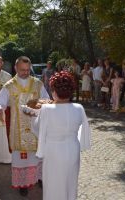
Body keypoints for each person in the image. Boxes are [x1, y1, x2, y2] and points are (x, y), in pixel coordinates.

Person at [0, 56, 49, 196]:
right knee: (21, 158)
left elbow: (47, 101)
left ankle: (40, 178)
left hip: (36, 129)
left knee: (39, 156)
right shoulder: (9, 86)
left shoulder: (38, 84)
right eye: (22, 70)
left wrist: (44, 106)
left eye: (27, 70)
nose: (25, 72)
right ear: (15, 68)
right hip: (18, 130)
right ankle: (22, 183)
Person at [32, 71, 91, 200]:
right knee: (70, 182)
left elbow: (36, 129)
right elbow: (84, 129)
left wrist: (34, 116)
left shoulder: (46, 109)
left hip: (53, 151)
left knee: (53, 184)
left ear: (53, 91)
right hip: (72, 149)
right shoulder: (79, 107)